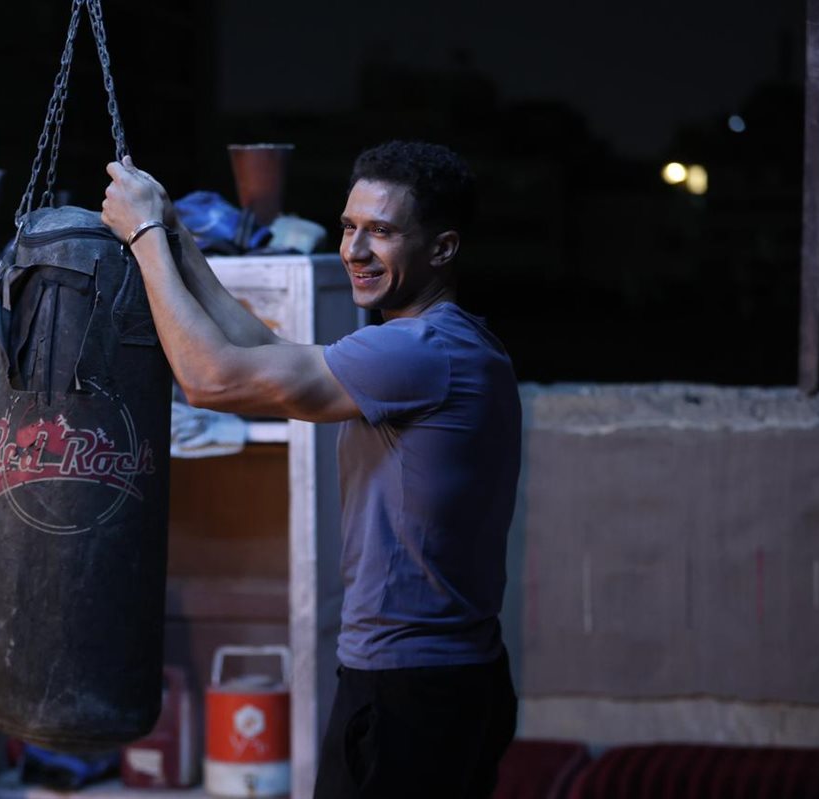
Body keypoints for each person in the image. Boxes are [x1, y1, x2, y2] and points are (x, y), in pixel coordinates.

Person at [102, 140, 520, 798]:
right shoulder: (442, 343)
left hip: (411, 690)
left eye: (381, 232)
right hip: (446, 679)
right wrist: (177, 238)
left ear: (442, 248)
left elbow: (210, 378)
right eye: (349, 227)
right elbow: (267, 349)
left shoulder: (419, 352)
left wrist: (144, 236)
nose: (355, 250)